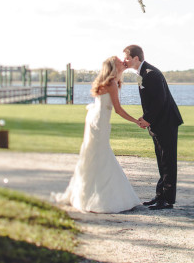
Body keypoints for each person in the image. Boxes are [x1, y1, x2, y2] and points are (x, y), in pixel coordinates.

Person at [52, 56, 142, 213]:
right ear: (114, 67)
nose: (124, 63)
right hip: (100, 123)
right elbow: (118, 109)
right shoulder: (112, 83)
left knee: (93, 155)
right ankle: (101, 197)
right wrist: (136, 121)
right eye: (121, 62)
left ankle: (87, 193)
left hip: (95, 121)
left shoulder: (107, 82)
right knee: (100, 155)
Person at [123, 44, 183, 210]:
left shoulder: (151, 73)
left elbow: (160, 100)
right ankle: (160, 196)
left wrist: (147, 119)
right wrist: (145, 118)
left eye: (127, 58)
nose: (125, 61)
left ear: (136, 58)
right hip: (158, 122)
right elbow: (150, 100)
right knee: (161, 160)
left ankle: (167, 200)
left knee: (167, 161)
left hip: (166, 122)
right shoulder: (141, 73)